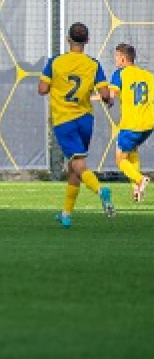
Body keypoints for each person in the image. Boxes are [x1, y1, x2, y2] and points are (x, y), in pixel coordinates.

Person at [38, 21, 114, 228]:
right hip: (85, 120)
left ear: (68, 39)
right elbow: (105, 94)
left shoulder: (56, 62)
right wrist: (108, 100)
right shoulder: (93, 64)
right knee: (74, 167)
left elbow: (42, 89)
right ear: (87, 41)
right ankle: (66, 214)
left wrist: (56, 84)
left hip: (64, 120)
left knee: (79, 164)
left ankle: (100, 190)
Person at [109, 43, 153, 202]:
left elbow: (111, 96)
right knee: (132, 151)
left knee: (120, 159)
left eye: (116, 56)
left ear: (122, 58)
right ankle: (136, 189)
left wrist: (92, 97)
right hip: (148, 124)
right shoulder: (147, 75)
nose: (115, 60)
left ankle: (140, 179)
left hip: (131, 124)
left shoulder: (120, 74)